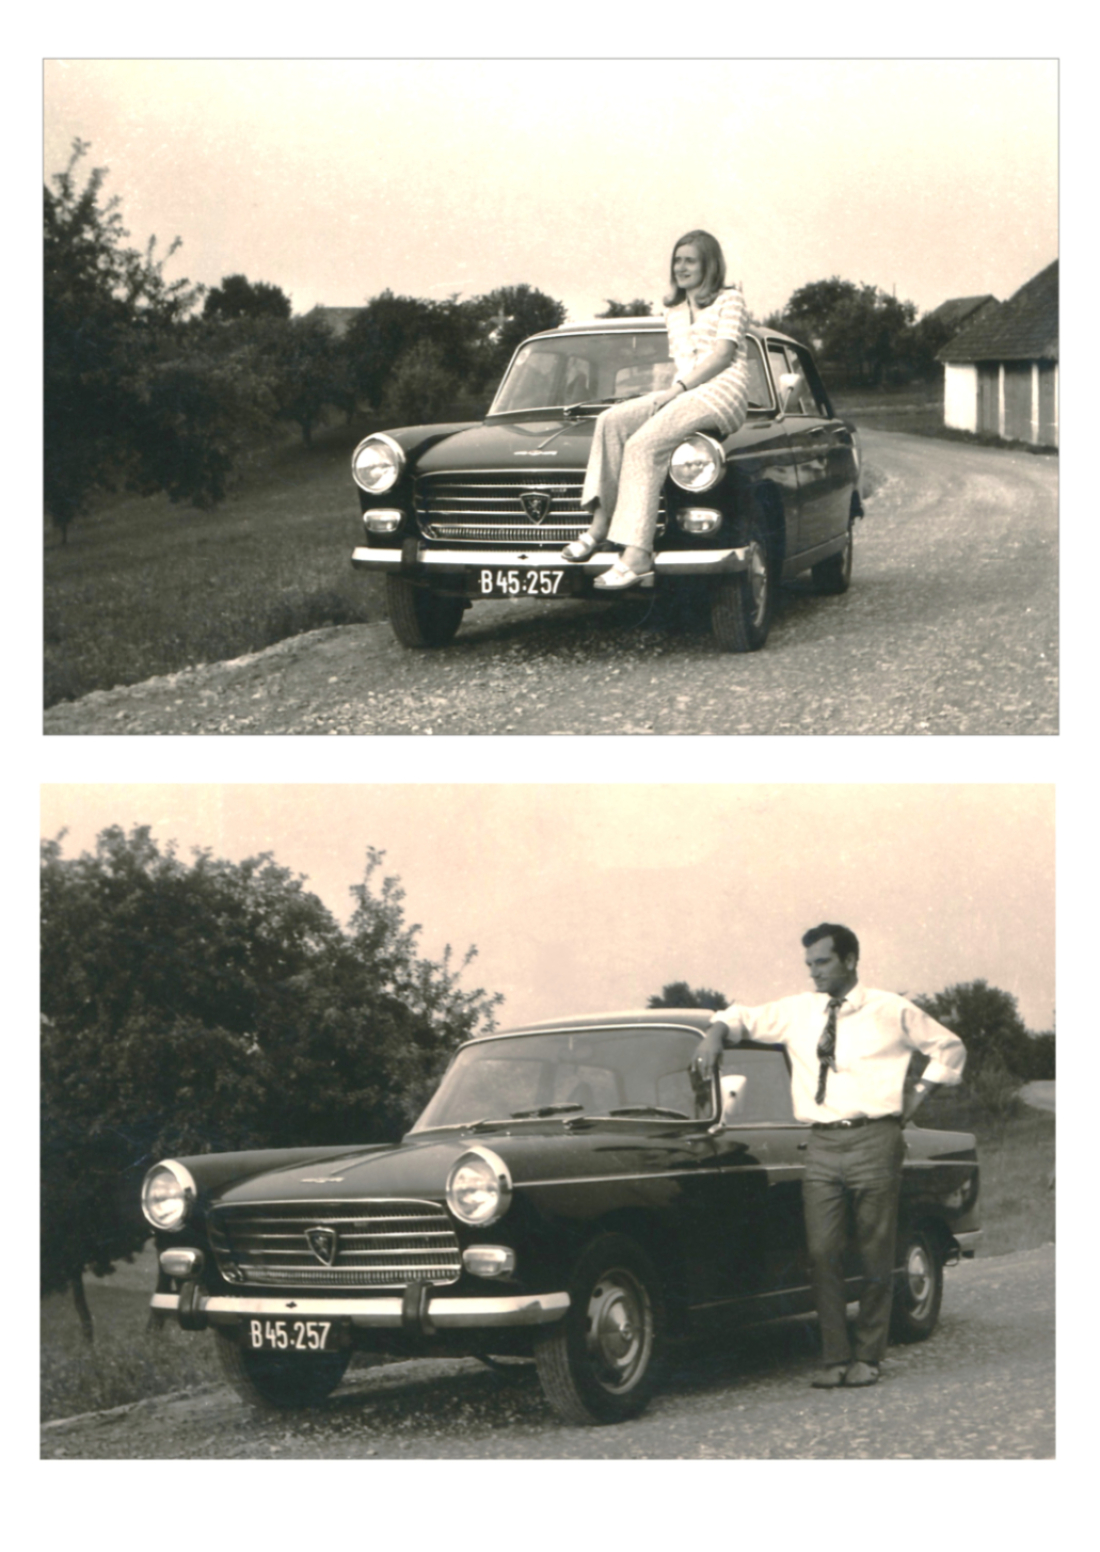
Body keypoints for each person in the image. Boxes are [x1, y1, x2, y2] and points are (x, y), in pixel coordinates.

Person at [693, 923, 966, 1389]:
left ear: (850, 960)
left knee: (876, 1252)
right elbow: (742, 1016)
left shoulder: (889, 1009)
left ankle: (869, 1356)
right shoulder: (799, 1011)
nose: (814, 973)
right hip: (820, 1143)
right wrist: (714, 1033)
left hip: (875, 1139)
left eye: (822, 962)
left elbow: (949, 1046)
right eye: (809, 965)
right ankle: (833, 1356)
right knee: (822, 1253)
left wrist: (916, 1097)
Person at [561, 229, 751, 590]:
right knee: (611, 421)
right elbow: (681, 361)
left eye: (689, 260)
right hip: (684, 390)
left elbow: (723, 355)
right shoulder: (673, 309)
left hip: (724, 391)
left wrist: (676, 391)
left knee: (644, 445)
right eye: (677, 261)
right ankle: (599, 526)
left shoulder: (731, 300)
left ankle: (637, 555)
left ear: (709, 264)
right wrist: (670, 392)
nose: (681, 267)